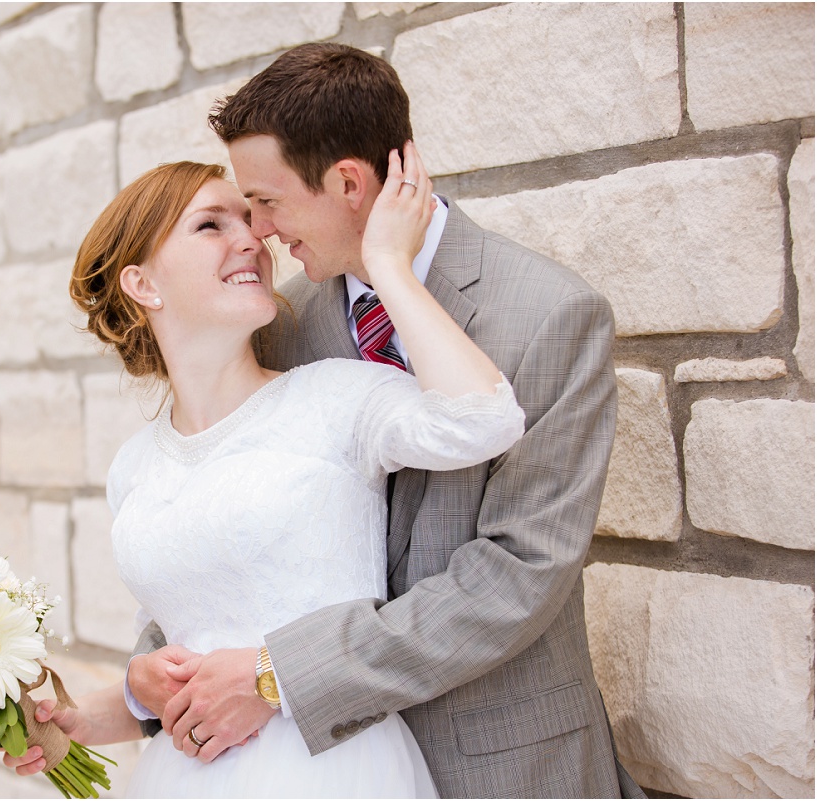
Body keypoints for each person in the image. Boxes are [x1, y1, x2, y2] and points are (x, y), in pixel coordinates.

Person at [107, 43, 643, 799]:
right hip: (307, 764)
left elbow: (517, 575)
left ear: (349, 182)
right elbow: (225, 528)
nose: (256, 232)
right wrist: (151, 670)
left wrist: (278, 674)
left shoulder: (550, 314)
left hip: (504, 762)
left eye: (265, 200)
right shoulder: (284, 327)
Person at [1, 144, 525, 798]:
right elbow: (184, 634)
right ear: (142, 284)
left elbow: (485, 419)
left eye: (248, 218)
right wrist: (110, 704)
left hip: (330, 768)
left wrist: (388, 265)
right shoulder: (133, 467)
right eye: (211, 224)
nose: (251, 238)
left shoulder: (337, 396)